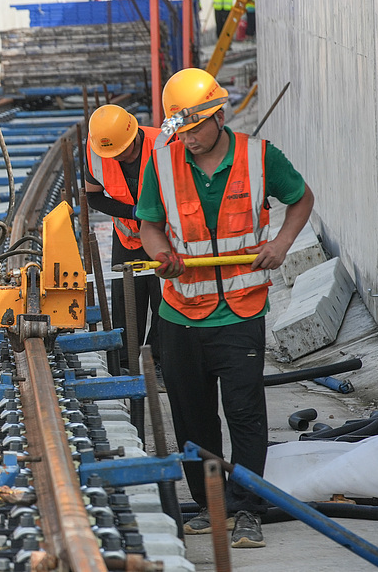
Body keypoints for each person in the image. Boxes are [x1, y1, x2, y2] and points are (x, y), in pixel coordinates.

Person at [136, 68, 315, 549]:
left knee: (246, 415)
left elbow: (300, 200)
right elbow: (149, 224)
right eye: (182, 128)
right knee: (193, 418)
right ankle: (211, 503)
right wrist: (160, 255)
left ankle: (247, 508)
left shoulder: (260, 158)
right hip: (179, 313)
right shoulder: (163, 162)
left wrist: (280, 242)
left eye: (196, 127)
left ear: (218, 116)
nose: (189, 137)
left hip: (240, 311)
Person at [84, 105, 164, 383]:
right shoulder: (96, 150)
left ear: (134, 136)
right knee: (126, 302)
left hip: (165, 235)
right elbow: (94, 197)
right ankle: (124, 367)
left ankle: (160, 366)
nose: (117, 157)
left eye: (123, 151)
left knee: (165, 301)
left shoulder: (164, 144)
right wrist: (131, 213)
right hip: (128, 236)